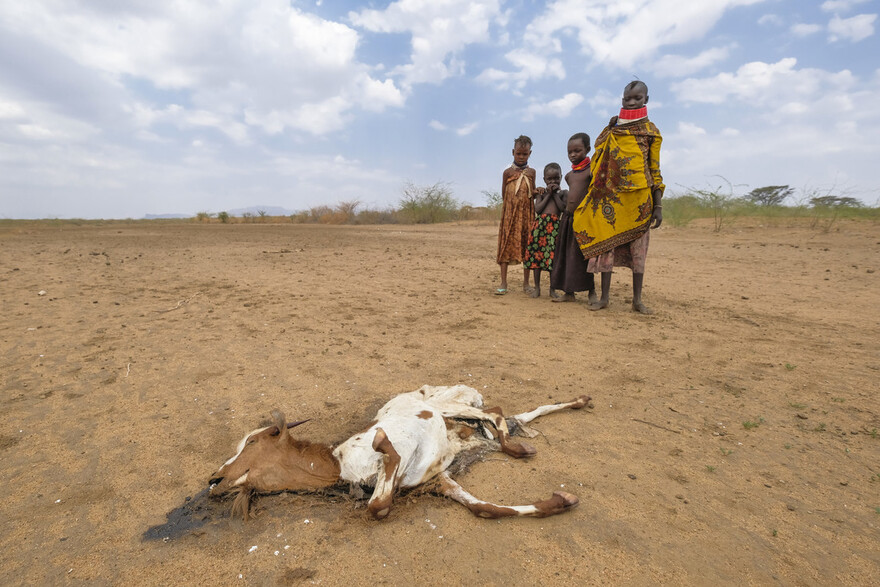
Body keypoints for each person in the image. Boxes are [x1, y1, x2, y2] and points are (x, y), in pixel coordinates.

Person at [572, 81, 664, 314]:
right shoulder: (611, 129)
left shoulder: (651, 132)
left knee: (638, 252)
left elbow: (654, 169)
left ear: (647, 99)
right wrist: (611, 126)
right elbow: (598, 150)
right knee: (606, 249)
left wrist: (658, 204)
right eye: (627, 98)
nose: (631, 102)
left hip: (639, 200)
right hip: (610, 199)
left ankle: (637, 300)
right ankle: (604, 298)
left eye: (637, 98)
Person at [550, 133, 596, 303]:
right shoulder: (569, 175)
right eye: (570, 152)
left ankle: (592, 291)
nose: (573, 155)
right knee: (566, 256)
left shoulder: (592, 171)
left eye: (577, 150)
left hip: (584, 220)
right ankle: (569, 293)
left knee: (584, 257)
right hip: (568, 220)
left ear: (588, 150)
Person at [496, 135, 537, 295]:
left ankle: (526, 284)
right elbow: (504, 194)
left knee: (527, 246)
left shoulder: (532, 172)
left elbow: (532, 193)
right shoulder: (507, 172)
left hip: (526, 216)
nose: (521, 157)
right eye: (518, 153)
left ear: (530, 153)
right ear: (513, 152)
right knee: (505, 245)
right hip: (509, 216)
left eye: (524, 154)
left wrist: (537, 190)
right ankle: (504, 283)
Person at [524, 163, 565, 298]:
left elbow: (562, 208)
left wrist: (554, 195)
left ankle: (552, 290)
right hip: (539, 229)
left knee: (552, 260)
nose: (553, 182)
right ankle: (537, 288)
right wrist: (548, 194)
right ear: (544, 180)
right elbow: (538, 209)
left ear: (561, 177)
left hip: (554, 230)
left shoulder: (563, 194)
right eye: (549, 179)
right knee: (537, 259)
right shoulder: (541, 193)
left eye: (556, 179)